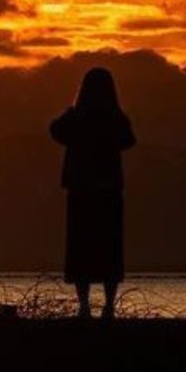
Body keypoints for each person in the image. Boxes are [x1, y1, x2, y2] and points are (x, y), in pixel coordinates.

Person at [49, 67, 136, 320]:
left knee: (81, 248)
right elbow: (129, 140)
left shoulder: (77, 116)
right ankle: (109, 306)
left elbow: (55, 130)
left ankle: (85, 306)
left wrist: (72, 111)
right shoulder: (115, 117)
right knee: (109, 249)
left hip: (81, 191)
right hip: (108, 191)